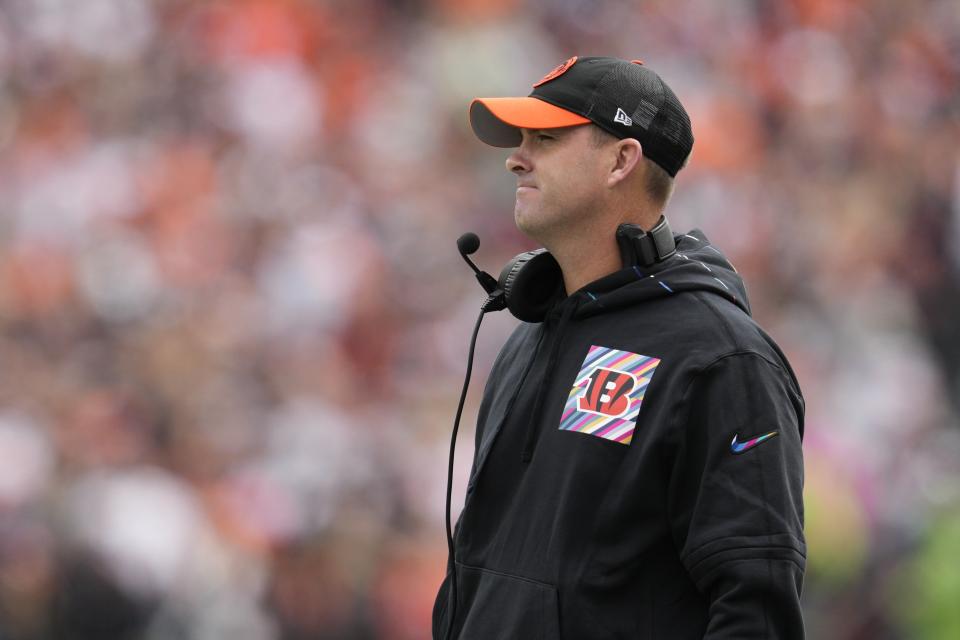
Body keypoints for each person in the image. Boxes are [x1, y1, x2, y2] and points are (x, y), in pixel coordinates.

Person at [433, 56, 806, 639]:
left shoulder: (722, 358)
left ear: (621, 160)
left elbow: (755, 609)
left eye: (547, 138)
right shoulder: (527, 335)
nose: (515, 157)